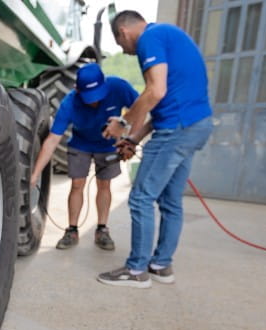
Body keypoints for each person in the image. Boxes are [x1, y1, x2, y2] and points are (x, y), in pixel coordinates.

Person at [97, 10, 214, 288]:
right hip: (194, 125)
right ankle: (161, 265)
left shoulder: (150, 38)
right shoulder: (168, 34)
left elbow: (155, 92)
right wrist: (134, 138)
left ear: (123, 32)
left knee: (140, 198)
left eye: (120, 44)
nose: (124, 51)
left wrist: (122, 123)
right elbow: (164, 105)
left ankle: (136, 270)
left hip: (177, 130)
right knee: (170, 202)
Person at [31, 63, 138, 251]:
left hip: (108, 144)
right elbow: (52, 140)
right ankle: (72, 230)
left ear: (104, 84)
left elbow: (141, 109)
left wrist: (131, 140)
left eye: (98, 96)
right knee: (77, 185)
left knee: (104, 185)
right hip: (80, 144)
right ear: (77, 90)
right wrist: (35, 174)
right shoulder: (69, 103)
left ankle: (102, 229)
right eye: (89, 97)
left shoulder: (119, 87)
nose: (94, 102)